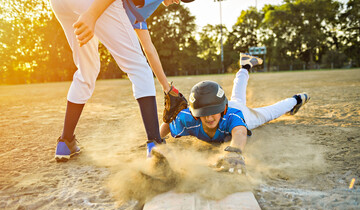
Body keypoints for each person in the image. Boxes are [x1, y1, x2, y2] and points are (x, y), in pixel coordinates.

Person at [51, 0, 193, 162]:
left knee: (86, 70)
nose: (175, 2)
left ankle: (65, 142)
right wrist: (92, 14)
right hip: (91, 4)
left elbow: (149, 49)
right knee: (139, 69)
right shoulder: (135, 11)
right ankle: (155, 144)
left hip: (60, 3)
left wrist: (167, 88)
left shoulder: (138, 14)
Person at [160, 53, 310, 174]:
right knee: (238, 96)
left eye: (213, 112)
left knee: (269, 113)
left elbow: (240, 132)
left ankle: (296, 99)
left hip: (240, 111)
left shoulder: (233, 115)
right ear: (195, 114)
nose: (209, 117)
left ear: (223, 109)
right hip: (224, 103)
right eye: (204, 113)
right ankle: (245, 66)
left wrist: (235, 151)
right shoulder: (188, 118)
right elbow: (169, 123)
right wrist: (155, 139)